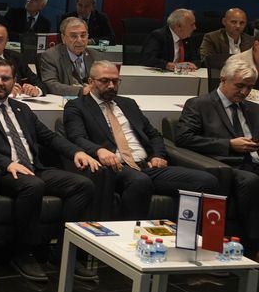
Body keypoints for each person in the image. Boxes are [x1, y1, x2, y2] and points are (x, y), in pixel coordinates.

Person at [0, 58, 100, 282]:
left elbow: (49, 137)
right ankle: (22, 253)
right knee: (33, 186)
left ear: (14, 81)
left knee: (83, 185)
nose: (0, 82)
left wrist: (76, 152)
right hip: (3, 172)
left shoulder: (22, 109)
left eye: (5, 78)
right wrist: (7, 163)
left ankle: (62, 253)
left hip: (34, 168)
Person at [63, 61, 219, 220]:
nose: (111, 86)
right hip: (114, 168)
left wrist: (157, 155)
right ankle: (130, 232)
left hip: (146, 166)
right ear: (91, 82)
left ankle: (189, 233)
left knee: (206, 180)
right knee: (140, 181)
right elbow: (77, 138)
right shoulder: (77, 106)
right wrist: (98, 150)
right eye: (104, 81)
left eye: (115, 81)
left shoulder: (128, 104)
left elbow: (154, 135)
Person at [174, 53, 259, 255]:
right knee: (250, 181)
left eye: (249, 87)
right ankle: (253, 246)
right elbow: (184, 138)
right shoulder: (199, 104)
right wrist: (228, 145)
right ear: (223, 79)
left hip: (254, 160)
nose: (245, 92)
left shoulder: (253, 108)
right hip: (227, 165)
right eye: (240, 86)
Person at [37, 17, 99, 97]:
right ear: (63, 38)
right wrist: (81, 91)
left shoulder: (95, 55)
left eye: (83, 35)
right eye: (74, 36)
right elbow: (50, 85)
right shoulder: (51, 56)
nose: (79, 40)